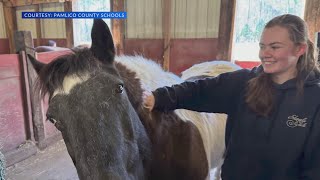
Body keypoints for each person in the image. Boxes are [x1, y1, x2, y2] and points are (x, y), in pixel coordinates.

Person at [143, 14, 320, 180]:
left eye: (274, 47)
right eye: (262, 46)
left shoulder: (314, 100)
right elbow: (199, 90)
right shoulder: (243, 83)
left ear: (300, 49)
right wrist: (158, 97)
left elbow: (315, 166)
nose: (264, 53)